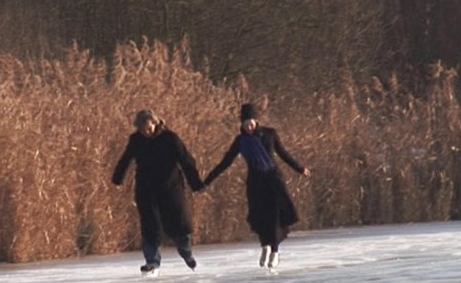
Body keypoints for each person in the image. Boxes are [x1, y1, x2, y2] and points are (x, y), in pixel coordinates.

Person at [203, 103, 311, 269]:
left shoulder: (270, 134)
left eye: (251, 122)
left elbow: (283, 154)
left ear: (256, 120)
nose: (248, 125)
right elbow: (226, 162)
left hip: (274, 180)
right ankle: (265, 247)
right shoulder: (240, 141)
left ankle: (275, 251)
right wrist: (208, 180)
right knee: (260, 216)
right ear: (241, 124)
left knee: (275, 216)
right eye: (245, 123)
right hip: (255, 183)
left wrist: (299, 168)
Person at [112, 109, 205, 274]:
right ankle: (152, 262)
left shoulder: (170, 138)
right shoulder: (136, 140)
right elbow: (126, 159)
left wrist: (196, 183)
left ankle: (186, 254)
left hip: (171, 188)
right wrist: (118, 178)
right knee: (149, 225)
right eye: (142, 129)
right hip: (146, 189)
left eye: (148, 127)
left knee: (179, 223)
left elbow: (186, 160)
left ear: (155, 123)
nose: (146, 132)